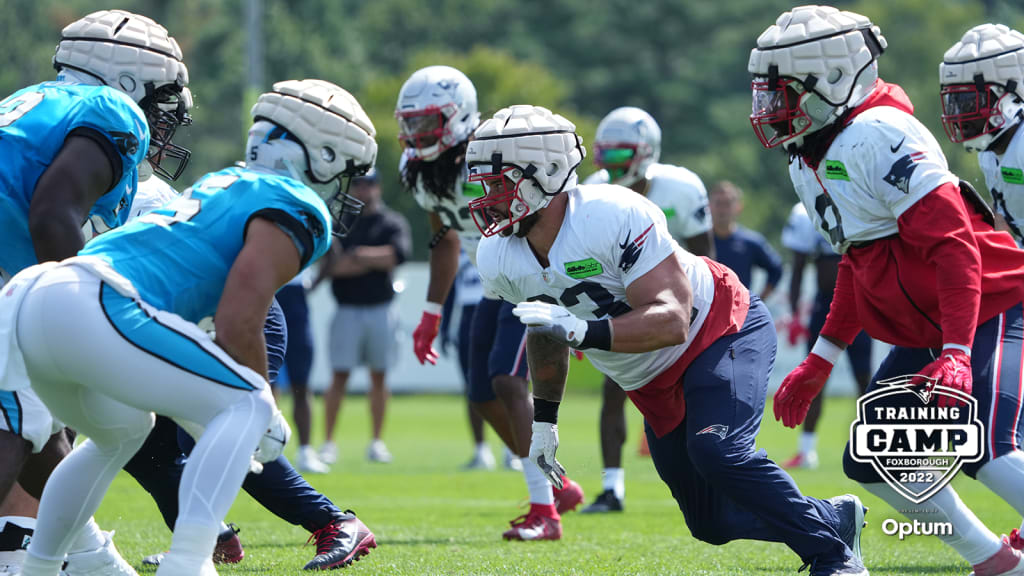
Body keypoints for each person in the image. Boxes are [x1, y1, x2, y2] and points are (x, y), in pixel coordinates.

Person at [470, 104, 867, 576]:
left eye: (499, 184)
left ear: (547, 174)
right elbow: (544, 332)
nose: (487, 199)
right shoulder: (498, 255)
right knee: (710, 522)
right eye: (484, 186)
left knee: (717, 451)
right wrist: (544, 422)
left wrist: (584, 331)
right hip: (649, 376)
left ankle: (834, 558)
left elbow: (672, 319)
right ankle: (831, 518)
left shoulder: (610, 214)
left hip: (717, 330)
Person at [2, 78, 377, 576]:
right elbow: (238, 319)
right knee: (248, 402)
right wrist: (259, 403)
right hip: (98, 300)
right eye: (347, 171)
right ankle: (188, 564)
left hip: (30, 294)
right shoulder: (292, 200)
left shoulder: (221, 182)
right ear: (326, 156)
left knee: (122, 434)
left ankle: (40, 569)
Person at [752, 6, 1024, 574]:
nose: (768, 108)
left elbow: (955, 246)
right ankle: (995, 560)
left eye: (780, 92)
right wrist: (822, 358)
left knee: (986, 445)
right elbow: (860, 264)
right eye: (764, 93)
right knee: (875, 457)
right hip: (932, 325)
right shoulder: (810, 158)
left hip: (991, 302)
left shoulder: (880, 133)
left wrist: (954, 353)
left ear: (830, 80)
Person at [0, 9, 191, 575]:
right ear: (128, 83)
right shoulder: (111, 111)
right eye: (158, 101)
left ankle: (95, 563)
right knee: (18, 419)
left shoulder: (31, 101)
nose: (160, 120)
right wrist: (83, 313)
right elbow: (52, 213)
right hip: (13, 279)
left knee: (40, 423)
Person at [119, 165, 376, 571]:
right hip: (183, 324)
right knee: (144, 444)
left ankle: (335, 523)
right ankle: (209, 540)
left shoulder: (138, 194)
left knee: (220, 430)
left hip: (233, 317)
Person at [396, 66, 583, 540]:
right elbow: (445, 240)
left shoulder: (491, 152)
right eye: (411, 124)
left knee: (505, 379)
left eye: (427, 123)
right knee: (480, 393)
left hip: (532, 272)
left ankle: (545, 511)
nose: (417, 135)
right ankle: (552, 483)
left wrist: (571, 299)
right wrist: (430, 312)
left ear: (457, 117)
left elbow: (554, 211)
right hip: (491, 278)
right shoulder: (420, 172)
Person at [581, 106, 713, 513]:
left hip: (682, 305)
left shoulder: (681, 188)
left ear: (644, 152)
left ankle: (708, 477)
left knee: (697, 395)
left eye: (619, 155)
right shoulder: (595, 190)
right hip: (622, 304)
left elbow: (707, 254)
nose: (609, 164)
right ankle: (611, 487)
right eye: (605, 154)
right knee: (613, 390)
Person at [940, 22, 1024, 553]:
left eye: (969, 98)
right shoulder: (996, 144)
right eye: (952, 100)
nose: (957, 112)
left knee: (989, 441)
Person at [321, 168, 411, 464]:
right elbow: (332, 267)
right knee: (339, 375)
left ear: (378, 187)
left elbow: (397, 256)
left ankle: (376, 442)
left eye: (369, 184)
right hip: (346, 309)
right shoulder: (341, 222)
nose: (364, 189)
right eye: (358, 184)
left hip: (381, 309)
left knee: (379, 375)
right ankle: (329, 443)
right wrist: (373, 259)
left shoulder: (392, 221)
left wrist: (357, 255)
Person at [780, 203, 872, 470]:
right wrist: (795, 313)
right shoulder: (806, 209)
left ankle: (873, 445)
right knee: (813, 377)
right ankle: (806, 451)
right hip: (826, 307)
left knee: (865, 379)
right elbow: (798, 266)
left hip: (860, 302)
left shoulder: (858, 197)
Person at [277, 270, 327, 474]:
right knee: (263, 382)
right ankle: (263, 448)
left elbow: (332, 252)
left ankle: (305, 451)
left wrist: (313, 284)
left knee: (301, 382)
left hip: (294, 298)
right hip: (265, 293)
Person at [709, 181, 783, 299]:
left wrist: (758, 302)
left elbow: (776, 269)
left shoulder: (750, 242)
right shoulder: (697, 241)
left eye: (727, 204)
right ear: (709, 206)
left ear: (738, 207)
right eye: (718, 203)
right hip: (705, 313)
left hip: (739, 312)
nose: (722, 209)